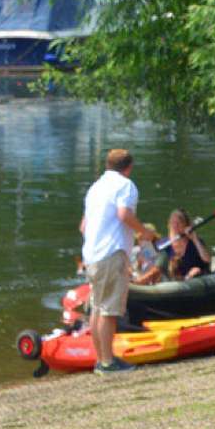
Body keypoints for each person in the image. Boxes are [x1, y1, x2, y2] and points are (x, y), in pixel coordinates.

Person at [78, 149, 142, 373]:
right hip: (111, 254)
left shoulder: (94, 188)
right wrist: (143, 232)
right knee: (109, 310)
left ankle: (101, 359)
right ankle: (108, 362)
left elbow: (83, 227)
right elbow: (124, 215)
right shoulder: (126, 186)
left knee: (97, 307)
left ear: (107, 165)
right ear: (129, 167)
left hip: (91, 255)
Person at [159, 209, 213, 280]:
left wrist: (195, 239)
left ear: (186, 225)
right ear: (169, 224)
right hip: (175, 280)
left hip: (196, 279)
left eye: (179, 222)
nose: (175, 225)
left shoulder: (195, 241)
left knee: (196, 270)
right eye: (173, 222)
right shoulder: (164, 243)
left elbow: (207, 260)